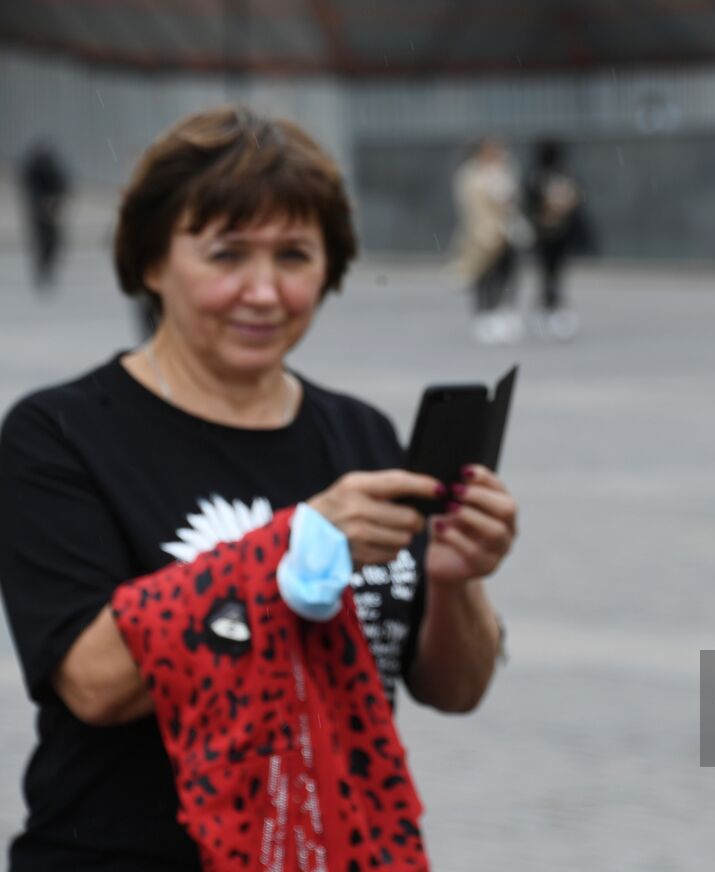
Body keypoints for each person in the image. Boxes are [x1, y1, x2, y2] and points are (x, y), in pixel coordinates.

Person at [0, 106, 512, 870]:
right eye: (227, 254)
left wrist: (456, 583)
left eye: (295, 255)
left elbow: (455, 688)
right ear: (150, 262)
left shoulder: (362, 438)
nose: (264, 291)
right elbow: (94, 683)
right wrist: (293, 543)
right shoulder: (61, 435)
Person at [452, 137, 529, 345]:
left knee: (507, 273)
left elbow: (514, 199)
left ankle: (504, 311)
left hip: (508, 231)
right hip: (482, 232)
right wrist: (485, 231)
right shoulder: (471, 174)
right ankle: (484, 315)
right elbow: (472, 207)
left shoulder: (506, 170)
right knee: (484, 274)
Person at [524, 138, 584, 340]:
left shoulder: (546, 175)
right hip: (547, 231)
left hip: (557, 231)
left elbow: (573, 199)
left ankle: (551, 305)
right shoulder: (542, 176)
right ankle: (548, 305)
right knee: (550, 271)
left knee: (552, 271)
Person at [18, 140, 69, 291]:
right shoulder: (32, 169)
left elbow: (63, 186)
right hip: (37, 209)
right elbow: (28, 190)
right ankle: (41, 270)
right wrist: (38, 204)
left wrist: (54, 202)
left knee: (54, 240)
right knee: (40, 239)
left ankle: (48, 268)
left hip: (51, 208)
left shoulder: (55, 170)